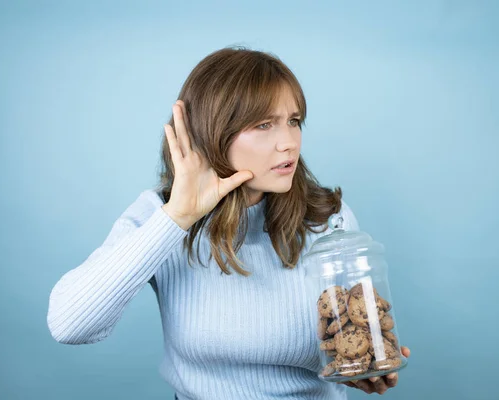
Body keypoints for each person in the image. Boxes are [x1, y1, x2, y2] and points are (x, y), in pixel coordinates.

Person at [46, 46, 411, 399]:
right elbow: (70, 324)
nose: (288, 143)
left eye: (294, 122)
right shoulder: (160, 214)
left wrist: (364, 370)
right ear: (212, 132)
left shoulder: (327, 218)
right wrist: (178, 217)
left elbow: (354, 340)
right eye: (264, 124)